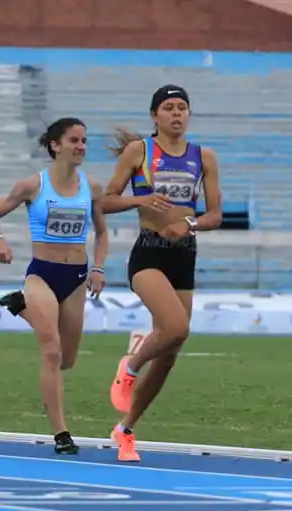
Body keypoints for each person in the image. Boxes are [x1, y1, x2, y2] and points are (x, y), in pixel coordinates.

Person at [101, 85, 223, 462]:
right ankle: (131, 363)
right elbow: (105, 201)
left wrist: (188, 224)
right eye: (168, 107)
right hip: (149, 253)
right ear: (155, 115)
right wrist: (140, 199)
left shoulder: (204, 157)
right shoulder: (140, 151)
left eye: (182, 107)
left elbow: (215, 216)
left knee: (170, 352)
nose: (176, 113)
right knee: (176, 328)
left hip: (184, 254)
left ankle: (126, 430)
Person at [0, 117, 109, 456]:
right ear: (55, 145)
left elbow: (102, 233)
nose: (81, 146)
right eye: (74, 140)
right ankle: (62, 433)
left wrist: (98, 267)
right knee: (51, 352)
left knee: (67, 360)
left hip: (76, 279)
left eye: (84, 141)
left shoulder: (93, 188)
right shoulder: (32, 186)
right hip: (42, 275)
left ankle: (20, 306)